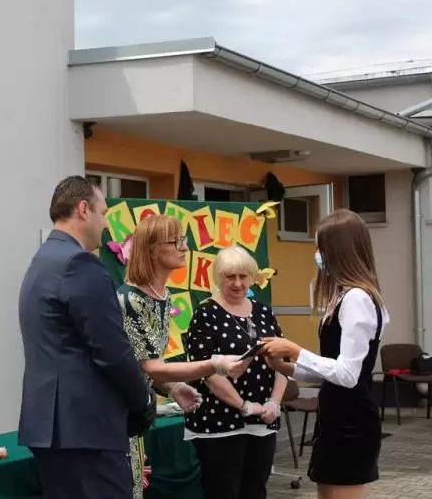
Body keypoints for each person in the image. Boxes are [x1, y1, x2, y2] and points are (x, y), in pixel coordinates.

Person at [17, 176, 156, 499]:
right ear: (83, 209)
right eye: (103, 213)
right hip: (86, 429)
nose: (106, 224)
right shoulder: (79, 264)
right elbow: (112, 350)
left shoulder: (41, 261)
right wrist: (143, 401)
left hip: (51, 427)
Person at [116, 216, 252, 499]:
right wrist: (215, 364)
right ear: (153, 249)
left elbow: (147, 365)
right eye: (176, 241)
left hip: (136, 413)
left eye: (184, 240)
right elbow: (151, 366)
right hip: (116, 415)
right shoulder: (130, 299)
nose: (185, 248)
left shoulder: (162, 295)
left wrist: (174, 387)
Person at [261, 208, 390, 499]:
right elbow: (331, 370)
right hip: (334, 417)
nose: (317, 255)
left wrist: (295, 350)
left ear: (338, 250)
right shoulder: (343, 296)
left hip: (351, 423)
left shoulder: (357, 298)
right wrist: (286, 367)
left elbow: (348, 375)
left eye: (320, 247)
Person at [183, 245, 288, 499]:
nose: (238, 283)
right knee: (223, 492)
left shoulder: (264, 311)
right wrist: (244, 406)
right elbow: (207, 372)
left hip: (263, 419)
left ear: (252, 277)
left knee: (255, 490)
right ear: (218, 278)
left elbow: (283, 361)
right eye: (230, 276)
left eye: (243, 276)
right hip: (220, 423)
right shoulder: (205, 314)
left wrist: (274, 403)